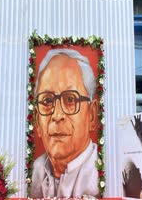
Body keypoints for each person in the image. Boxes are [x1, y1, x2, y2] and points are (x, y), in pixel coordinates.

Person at [31, 49, 99, 198]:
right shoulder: (35, 171)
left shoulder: (102, 172)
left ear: (92, 115)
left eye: (70, 99)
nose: (57, 115)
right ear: (37, 120)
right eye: (47, 101)